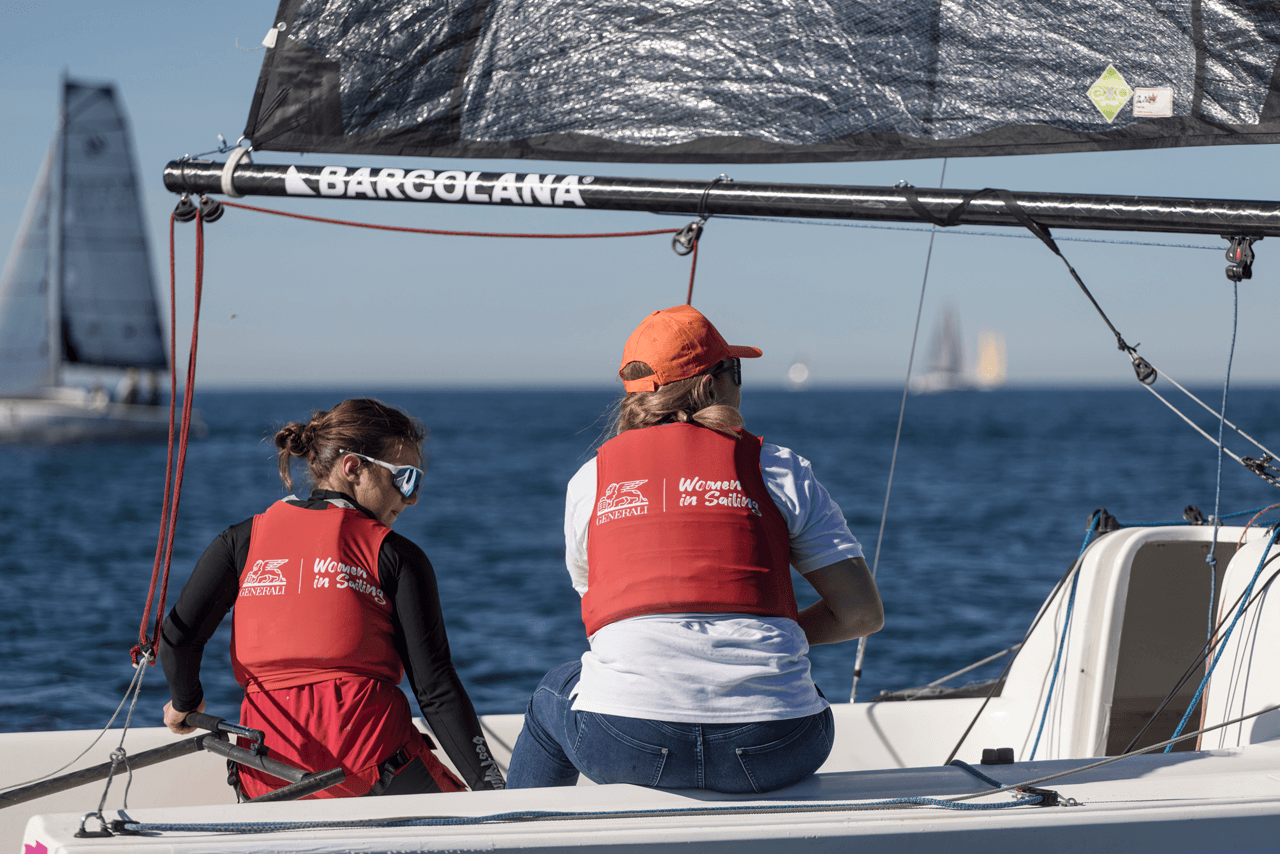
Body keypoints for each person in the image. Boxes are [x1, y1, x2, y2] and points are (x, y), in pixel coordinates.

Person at [507, 305, 884, 793]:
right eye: (736, 371)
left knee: (550, 695)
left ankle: (523, 837)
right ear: (711, 385)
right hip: (776, 744)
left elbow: (605, 618)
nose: (742, 386)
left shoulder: (590, 482)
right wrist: (761, 637)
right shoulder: (781, 469)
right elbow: (861, 614)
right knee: (793, 688)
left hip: (626, 741)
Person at [159, 398, 505, 798]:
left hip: (268, 780)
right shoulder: (395, 555)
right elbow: (435, 688)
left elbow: (179, 639)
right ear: (353, 467)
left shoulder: (240, 542)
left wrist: (185, 703)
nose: (411, 498)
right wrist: (492, 789)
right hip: (377, 771)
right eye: (405, 478)